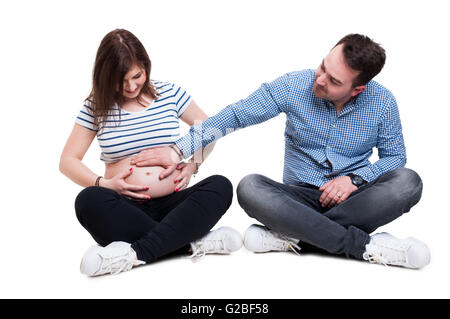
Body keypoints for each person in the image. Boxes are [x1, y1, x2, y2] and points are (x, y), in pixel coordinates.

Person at [131, 34, 430, 269]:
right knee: (250, 187)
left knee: (408, 182)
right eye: (323, 66)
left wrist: (354, 180)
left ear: (357, 89)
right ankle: (363, 246)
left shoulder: (383, 102)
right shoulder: (293, 86)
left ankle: (294, 236)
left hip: (353, 199)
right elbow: (237, 115)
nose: (320, 79)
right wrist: (177, 151)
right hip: (295, 198)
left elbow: (394, 157)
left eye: (334, 80)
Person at [59, 29, 242, 277]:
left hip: (174, 202)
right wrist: (105, 184)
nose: (131, 86)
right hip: (125, 208)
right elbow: (68, 161)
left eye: (137, 76)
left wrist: (193, 165)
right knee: (88, 200)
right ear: (106, 76)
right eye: (121, 81)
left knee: (220, 186)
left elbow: (209, 129)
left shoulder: (170, 93)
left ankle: (134, 253)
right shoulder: (95, 107)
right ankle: (189, 243)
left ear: (146, 66)